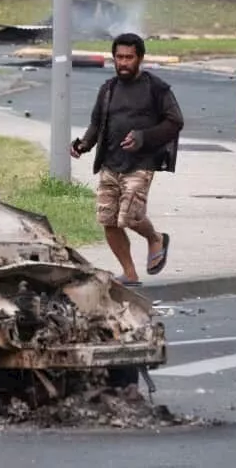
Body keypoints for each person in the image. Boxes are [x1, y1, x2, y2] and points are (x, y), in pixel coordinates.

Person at [70, 33, 183, 287]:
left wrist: (144, 137)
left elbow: (175, 121)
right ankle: (129, 272)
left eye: (128, 58)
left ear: (140, 58)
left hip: (141, 163)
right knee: (108, 220)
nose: (123, 63)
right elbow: (97, 124)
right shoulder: (108, 89)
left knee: (130, 217)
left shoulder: (156, 88)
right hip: (110, 163)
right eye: (119, 57)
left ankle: (155, 238)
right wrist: (83, 145)